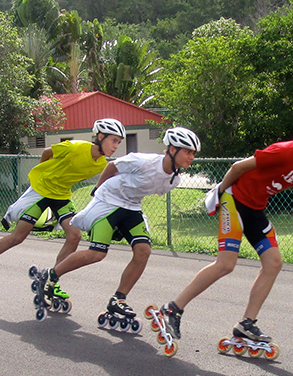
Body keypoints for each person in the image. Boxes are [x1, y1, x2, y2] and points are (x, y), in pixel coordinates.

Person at [148, 111, 293, 354]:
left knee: (274, 263)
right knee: (226, 264)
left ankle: (246, 324)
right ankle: (173, 308)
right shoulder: (287, 151)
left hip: (255, 209)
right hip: (234, 200)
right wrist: (220, 192)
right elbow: (238, 166)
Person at [31, 127, 201, 332]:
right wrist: (96, 191)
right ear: (172, 149)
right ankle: (50, 275)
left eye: (193, 153)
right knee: (97, 253)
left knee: (144, 251)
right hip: (108, 202)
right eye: (188, 152)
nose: (191, 157)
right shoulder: (143, 161)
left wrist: (123, 224)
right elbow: (112, 168)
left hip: (131, 207)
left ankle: (118, 299)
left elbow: (139, 192)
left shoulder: (174, 180)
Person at [0, 119, 126, 303]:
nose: (116, 146)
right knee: (18, 237)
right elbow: (47, 152)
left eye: (119, 142)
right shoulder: (76, 147)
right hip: (41, 190)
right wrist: (45, 172)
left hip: (61, 196)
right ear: (100, 137)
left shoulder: (101, 163)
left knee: (74, 236)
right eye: (113, 140)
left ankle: (51, 281)